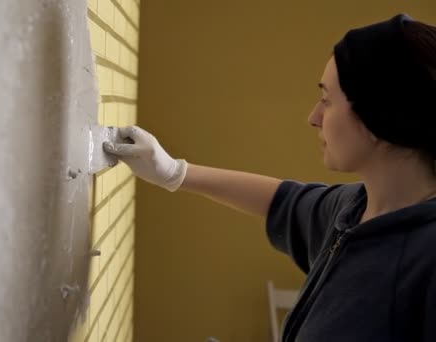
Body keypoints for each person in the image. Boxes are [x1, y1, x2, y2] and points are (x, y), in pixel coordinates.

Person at [103, 13, 436, 341]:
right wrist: (175, 172)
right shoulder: (353, 210)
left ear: (379, 116)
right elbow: (283, 200)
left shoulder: (425, 259)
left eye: (327, 100)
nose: (313, 117)